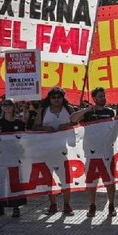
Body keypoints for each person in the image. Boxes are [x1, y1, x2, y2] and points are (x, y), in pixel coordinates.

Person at [70, 87, 118, 218]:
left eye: (104, 96)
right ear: (94, 98)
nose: (103, 98)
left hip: (107, 152)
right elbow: (73, 118)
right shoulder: (88, 113)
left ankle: (111, 205)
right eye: (100, 96)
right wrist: (86, 109)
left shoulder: (110, 112)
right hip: (91, 153)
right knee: (91, 182)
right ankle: (92, 205)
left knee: (110, 181)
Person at [34, 87, 75, 215]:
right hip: (48, 149)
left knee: (65, 178)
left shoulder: (69, 110)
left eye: (59, 97)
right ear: (50, 99)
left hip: (66, 150)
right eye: (54, 97)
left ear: (63, 98)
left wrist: (67, 126)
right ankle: (53, 204)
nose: (56, 100)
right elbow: (35, 127)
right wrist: (45, 129)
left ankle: (67, 205)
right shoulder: (43, 110)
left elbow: (78, 125)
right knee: (49, 178)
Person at [0, 98, 27, 218]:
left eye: (9, 105)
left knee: (14, 181)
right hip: (1, 154)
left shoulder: (19, 123)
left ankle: (16, 206)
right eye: (4, 105)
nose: (7, 107)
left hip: (14, 154)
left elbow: (23, 139)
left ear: (13, 108)